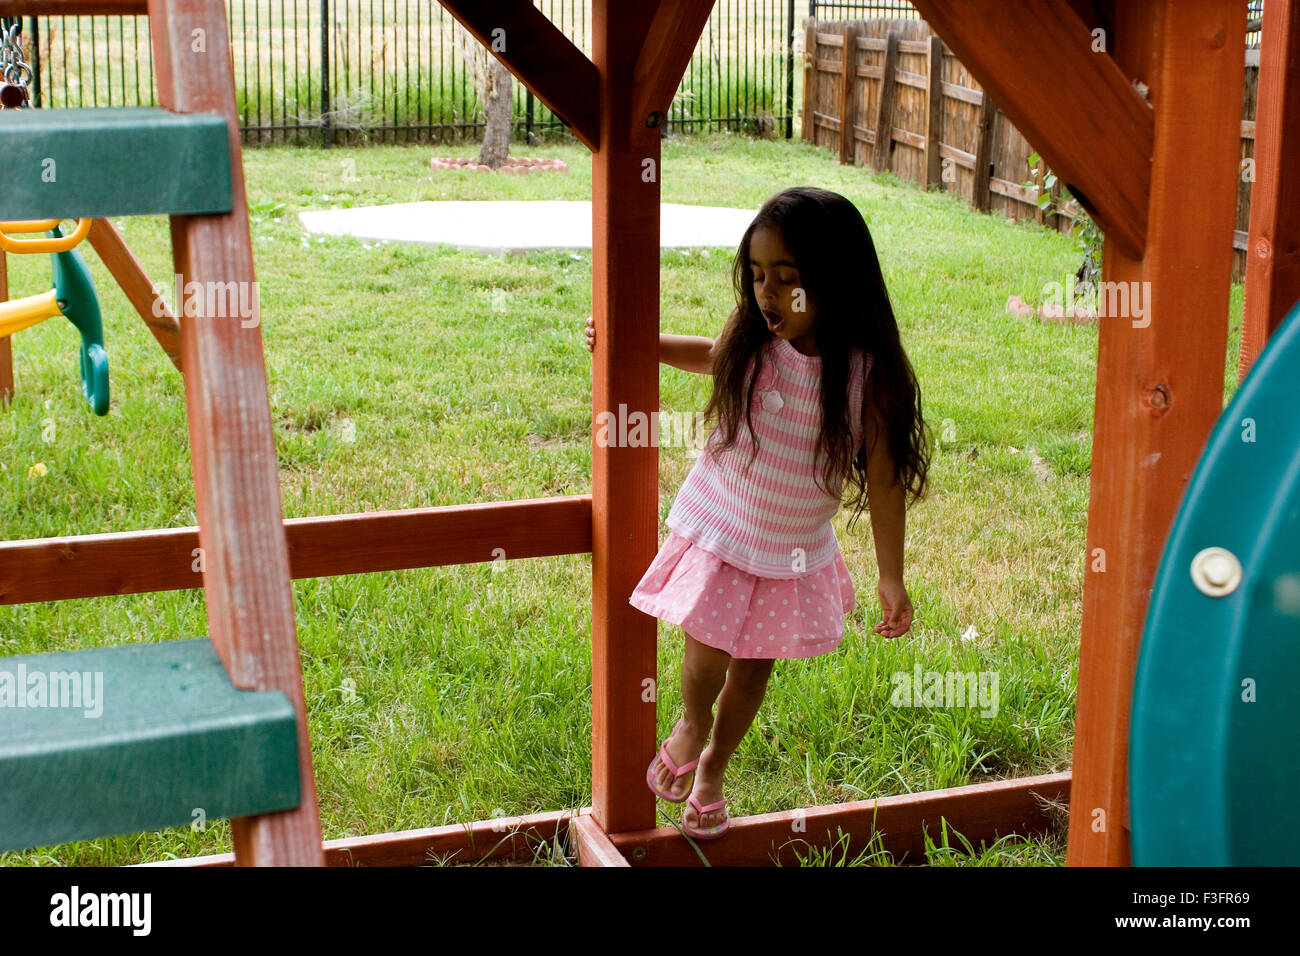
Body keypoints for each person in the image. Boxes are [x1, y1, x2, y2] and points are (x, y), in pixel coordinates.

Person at [584, 186, 931, 840]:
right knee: (706, 658)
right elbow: (710, 360)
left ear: (836, 279)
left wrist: (891, 575)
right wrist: (640, 341)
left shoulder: (867, 374)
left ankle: (714, 767)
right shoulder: (752, 337)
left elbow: (884, 483)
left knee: (751, 672)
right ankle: (693, 723)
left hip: (789, 550)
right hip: (723, 526)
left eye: (787, 280)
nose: (766, 293)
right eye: (757, 275)